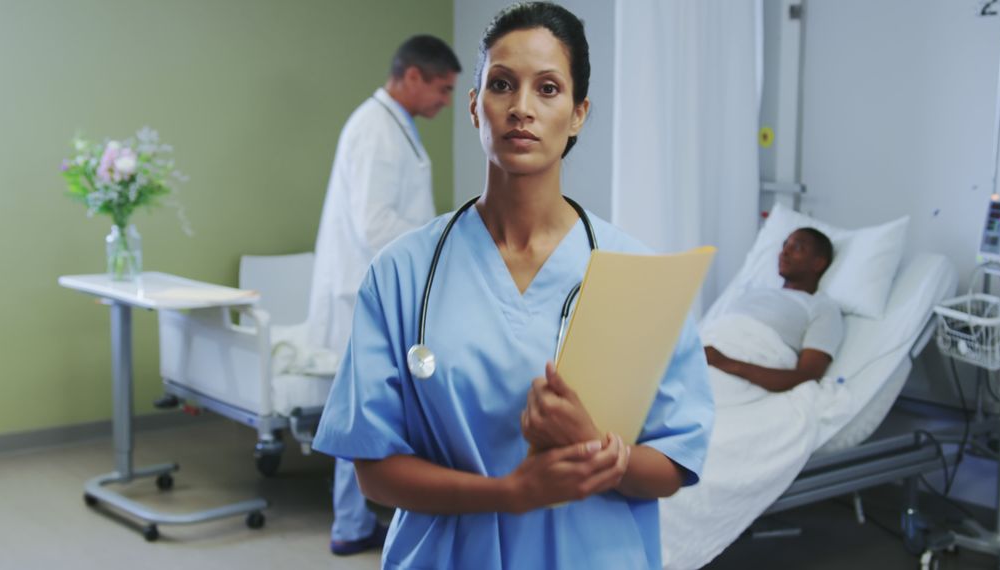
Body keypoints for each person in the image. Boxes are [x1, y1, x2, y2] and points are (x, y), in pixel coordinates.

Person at [312, 3, 714, 568]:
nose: (522, 108)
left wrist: (594, 448)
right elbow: (374, 471)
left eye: (548, 89)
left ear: (578, 114)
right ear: (475, 105)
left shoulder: (636, 272)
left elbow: (672, 466)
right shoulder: (403, 273)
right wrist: (512, 494)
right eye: (502, 85)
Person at [305, 34, 460, 556]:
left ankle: (354, 522)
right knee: (368, 412)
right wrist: (441, 243)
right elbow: (375, 224)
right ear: (412, 76)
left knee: (371, 410)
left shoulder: (395, 125)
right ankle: (353, 524)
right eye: (442, 88)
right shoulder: (375, 129)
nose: (446, 100)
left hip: (378, 287)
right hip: (364, 290)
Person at [703, 227, 843, 392]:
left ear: (818, 263)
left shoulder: (822, 307)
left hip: (735, 370)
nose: (784, 252)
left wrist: (724, 363)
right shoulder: (751, 292)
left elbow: (807, 375)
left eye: (797, 247)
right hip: (705, 354)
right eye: (784, 246)